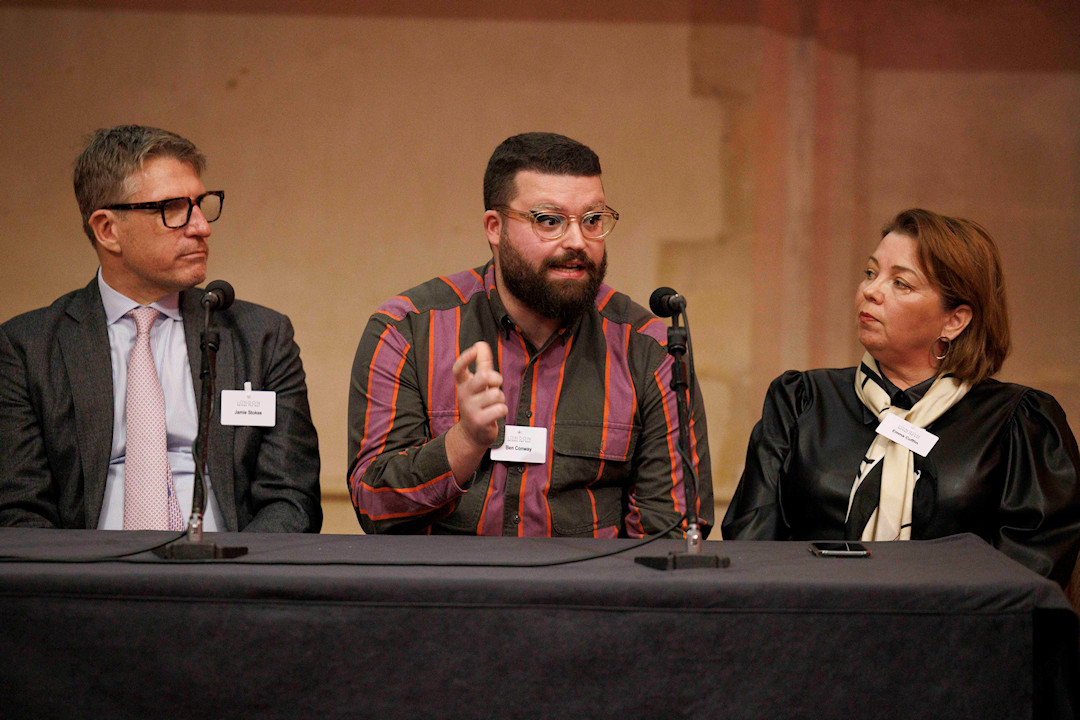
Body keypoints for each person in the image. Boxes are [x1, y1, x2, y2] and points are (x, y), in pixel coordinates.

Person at [347, 132, 711, 537]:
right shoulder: (407, 332)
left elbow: (669, 533)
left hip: (587, 595)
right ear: (494, 227)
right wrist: (465, 441)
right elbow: (374, 506)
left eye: (592, 220)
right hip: (446, 594)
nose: (577, 241)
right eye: (549, 221)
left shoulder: (650, 348)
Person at [722, 208, 1080, 585]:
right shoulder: (802, 401)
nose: (870, 291)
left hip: (954, 637)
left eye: (901, 283)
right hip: (807, 627)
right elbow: (751, 546)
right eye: (871, 273)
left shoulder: (1017, 422)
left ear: (954, 320)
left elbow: (1024, 586)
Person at [0, 125, 321, 532]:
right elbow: (17, 510)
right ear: (107, 230)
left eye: (202, 204)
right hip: (89, 581)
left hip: (229, 575)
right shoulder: (27, 349)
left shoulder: (261, 338)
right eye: (173, 208)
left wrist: (233, 581)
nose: (202, 226)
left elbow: (291, 498)